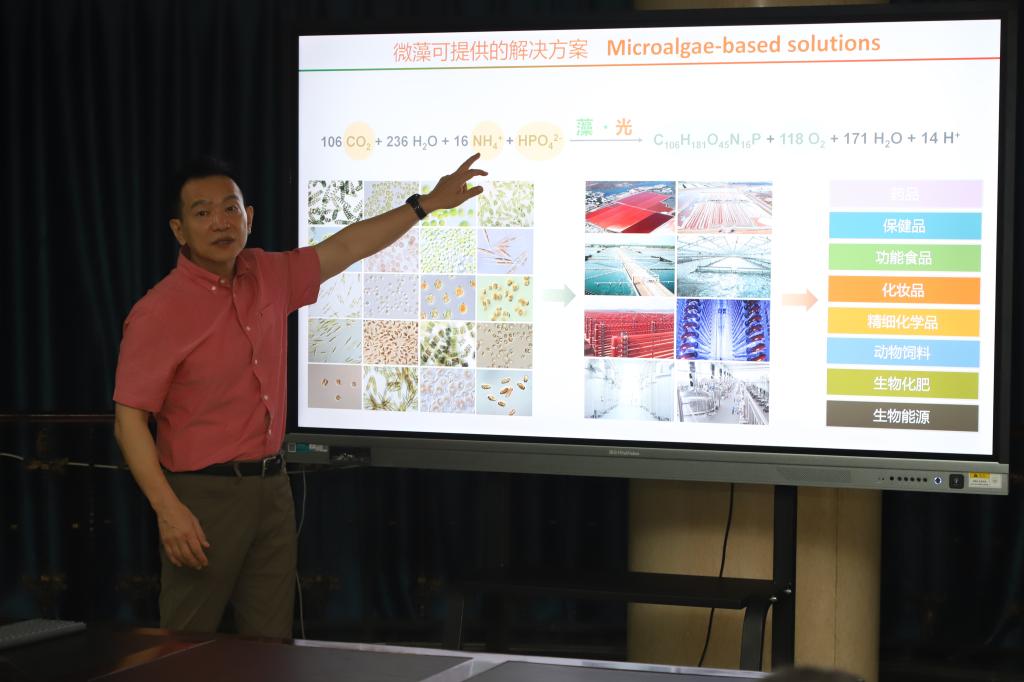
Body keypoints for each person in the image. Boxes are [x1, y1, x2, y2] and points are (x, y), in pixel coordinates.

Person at [112, 153, 486, 637]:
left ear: (249, 217)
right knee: (186, 646)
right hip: (202, 495)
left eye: (230, 208)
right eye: (202, 213)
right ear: (179, 230)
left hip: (272, 487)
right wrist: (169, 511)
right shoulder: (159, 311)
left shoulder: (269, 273)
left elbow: (347, 245)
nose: (220, 222)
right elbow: (129, 421)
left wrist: (425, 205)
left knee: (270, 644)